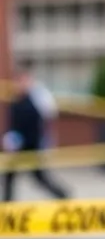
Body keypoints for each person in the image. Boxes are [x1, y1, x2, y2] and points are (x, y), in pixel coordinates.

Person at [3, 66, 70, 202]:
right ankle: (7, 206)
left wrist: (43, 144)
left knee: (39, 177)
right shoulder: (15, 102)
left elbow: (44, 123)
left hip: (32, 146)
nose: (20, 84)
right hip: (18, 147)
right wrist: (10, 139)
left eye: (23, 81)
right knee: (9, 176)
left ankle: (63, 197)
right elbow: (12, 124)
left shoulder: (36, 101)